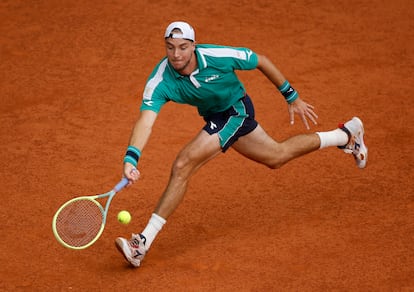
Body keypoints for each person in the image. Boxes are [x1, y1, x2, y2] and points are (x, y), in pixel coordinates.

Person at [115, 21, 368, 268]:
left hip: (236, 110)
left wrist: (292, 96)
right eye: (170, 47)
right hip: (216, 115)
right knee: (276, 156)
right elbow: (145, 122)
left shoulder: (217, 56)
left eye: (183, 47)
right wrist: (131, 158)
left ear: (194, 45)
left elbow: (260, 60)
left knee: (183, 164)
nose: (176, 54)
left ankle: (142, 243)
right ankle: (346, 136)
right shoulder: (160, 80)